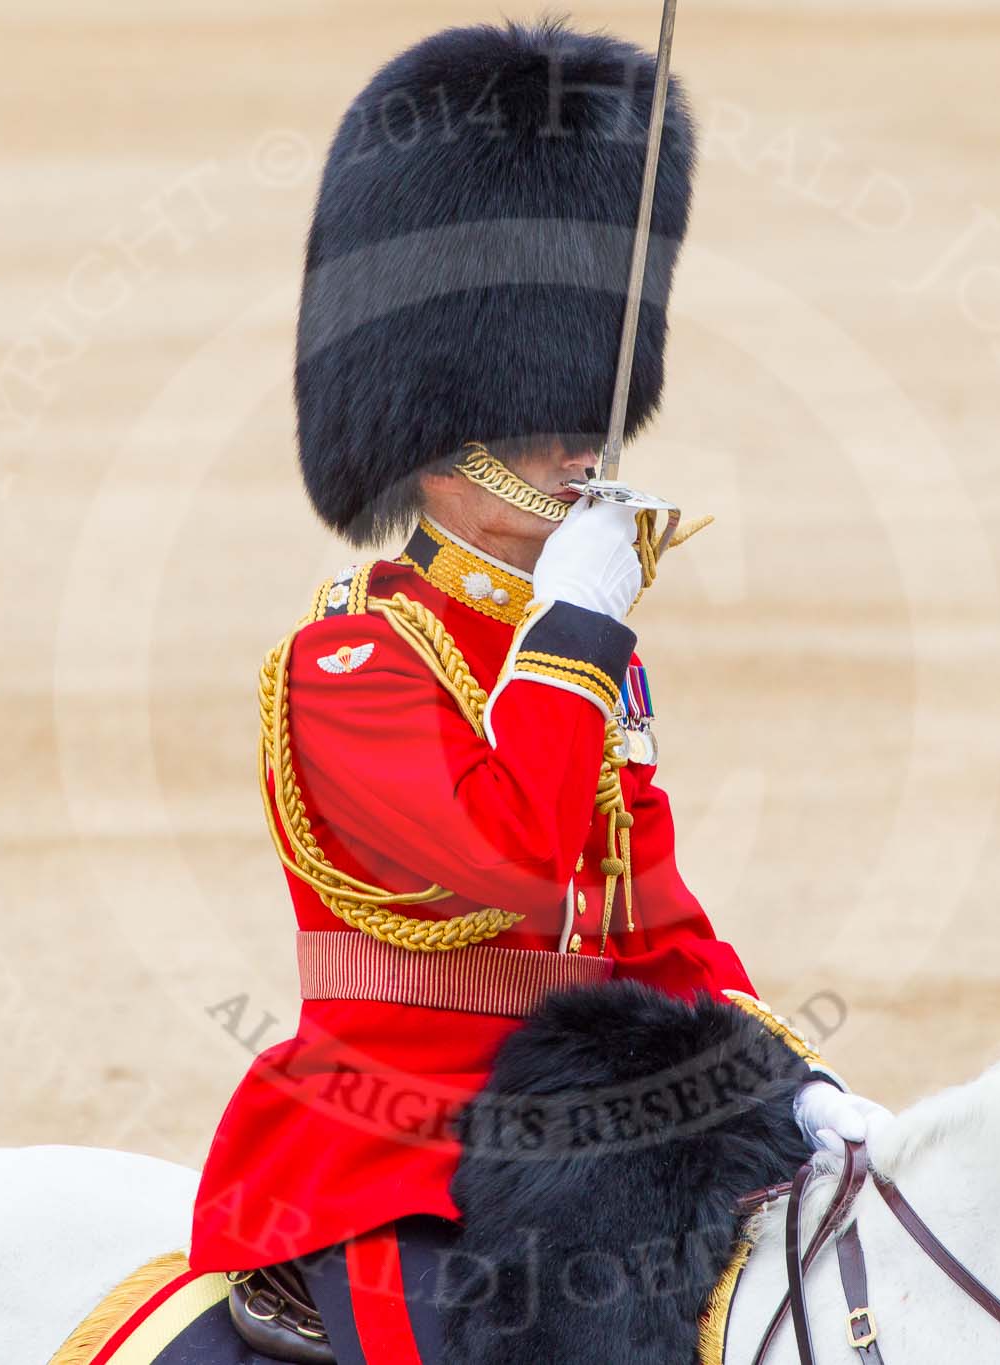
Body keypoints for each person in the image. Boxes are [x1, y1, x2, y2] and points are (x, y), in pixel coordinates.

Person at [187, 19, 884, 1362]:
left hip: (598, 1126)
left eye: (587, 426)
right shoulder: (349, 662)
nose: (575, 455)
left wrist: (789, 1076)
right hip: (397, 1145)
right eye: (535, 431)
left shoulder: (584, 651)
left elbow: (655, 927)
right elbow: (504, 864)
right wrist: (574, 624)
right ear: (437, 449)